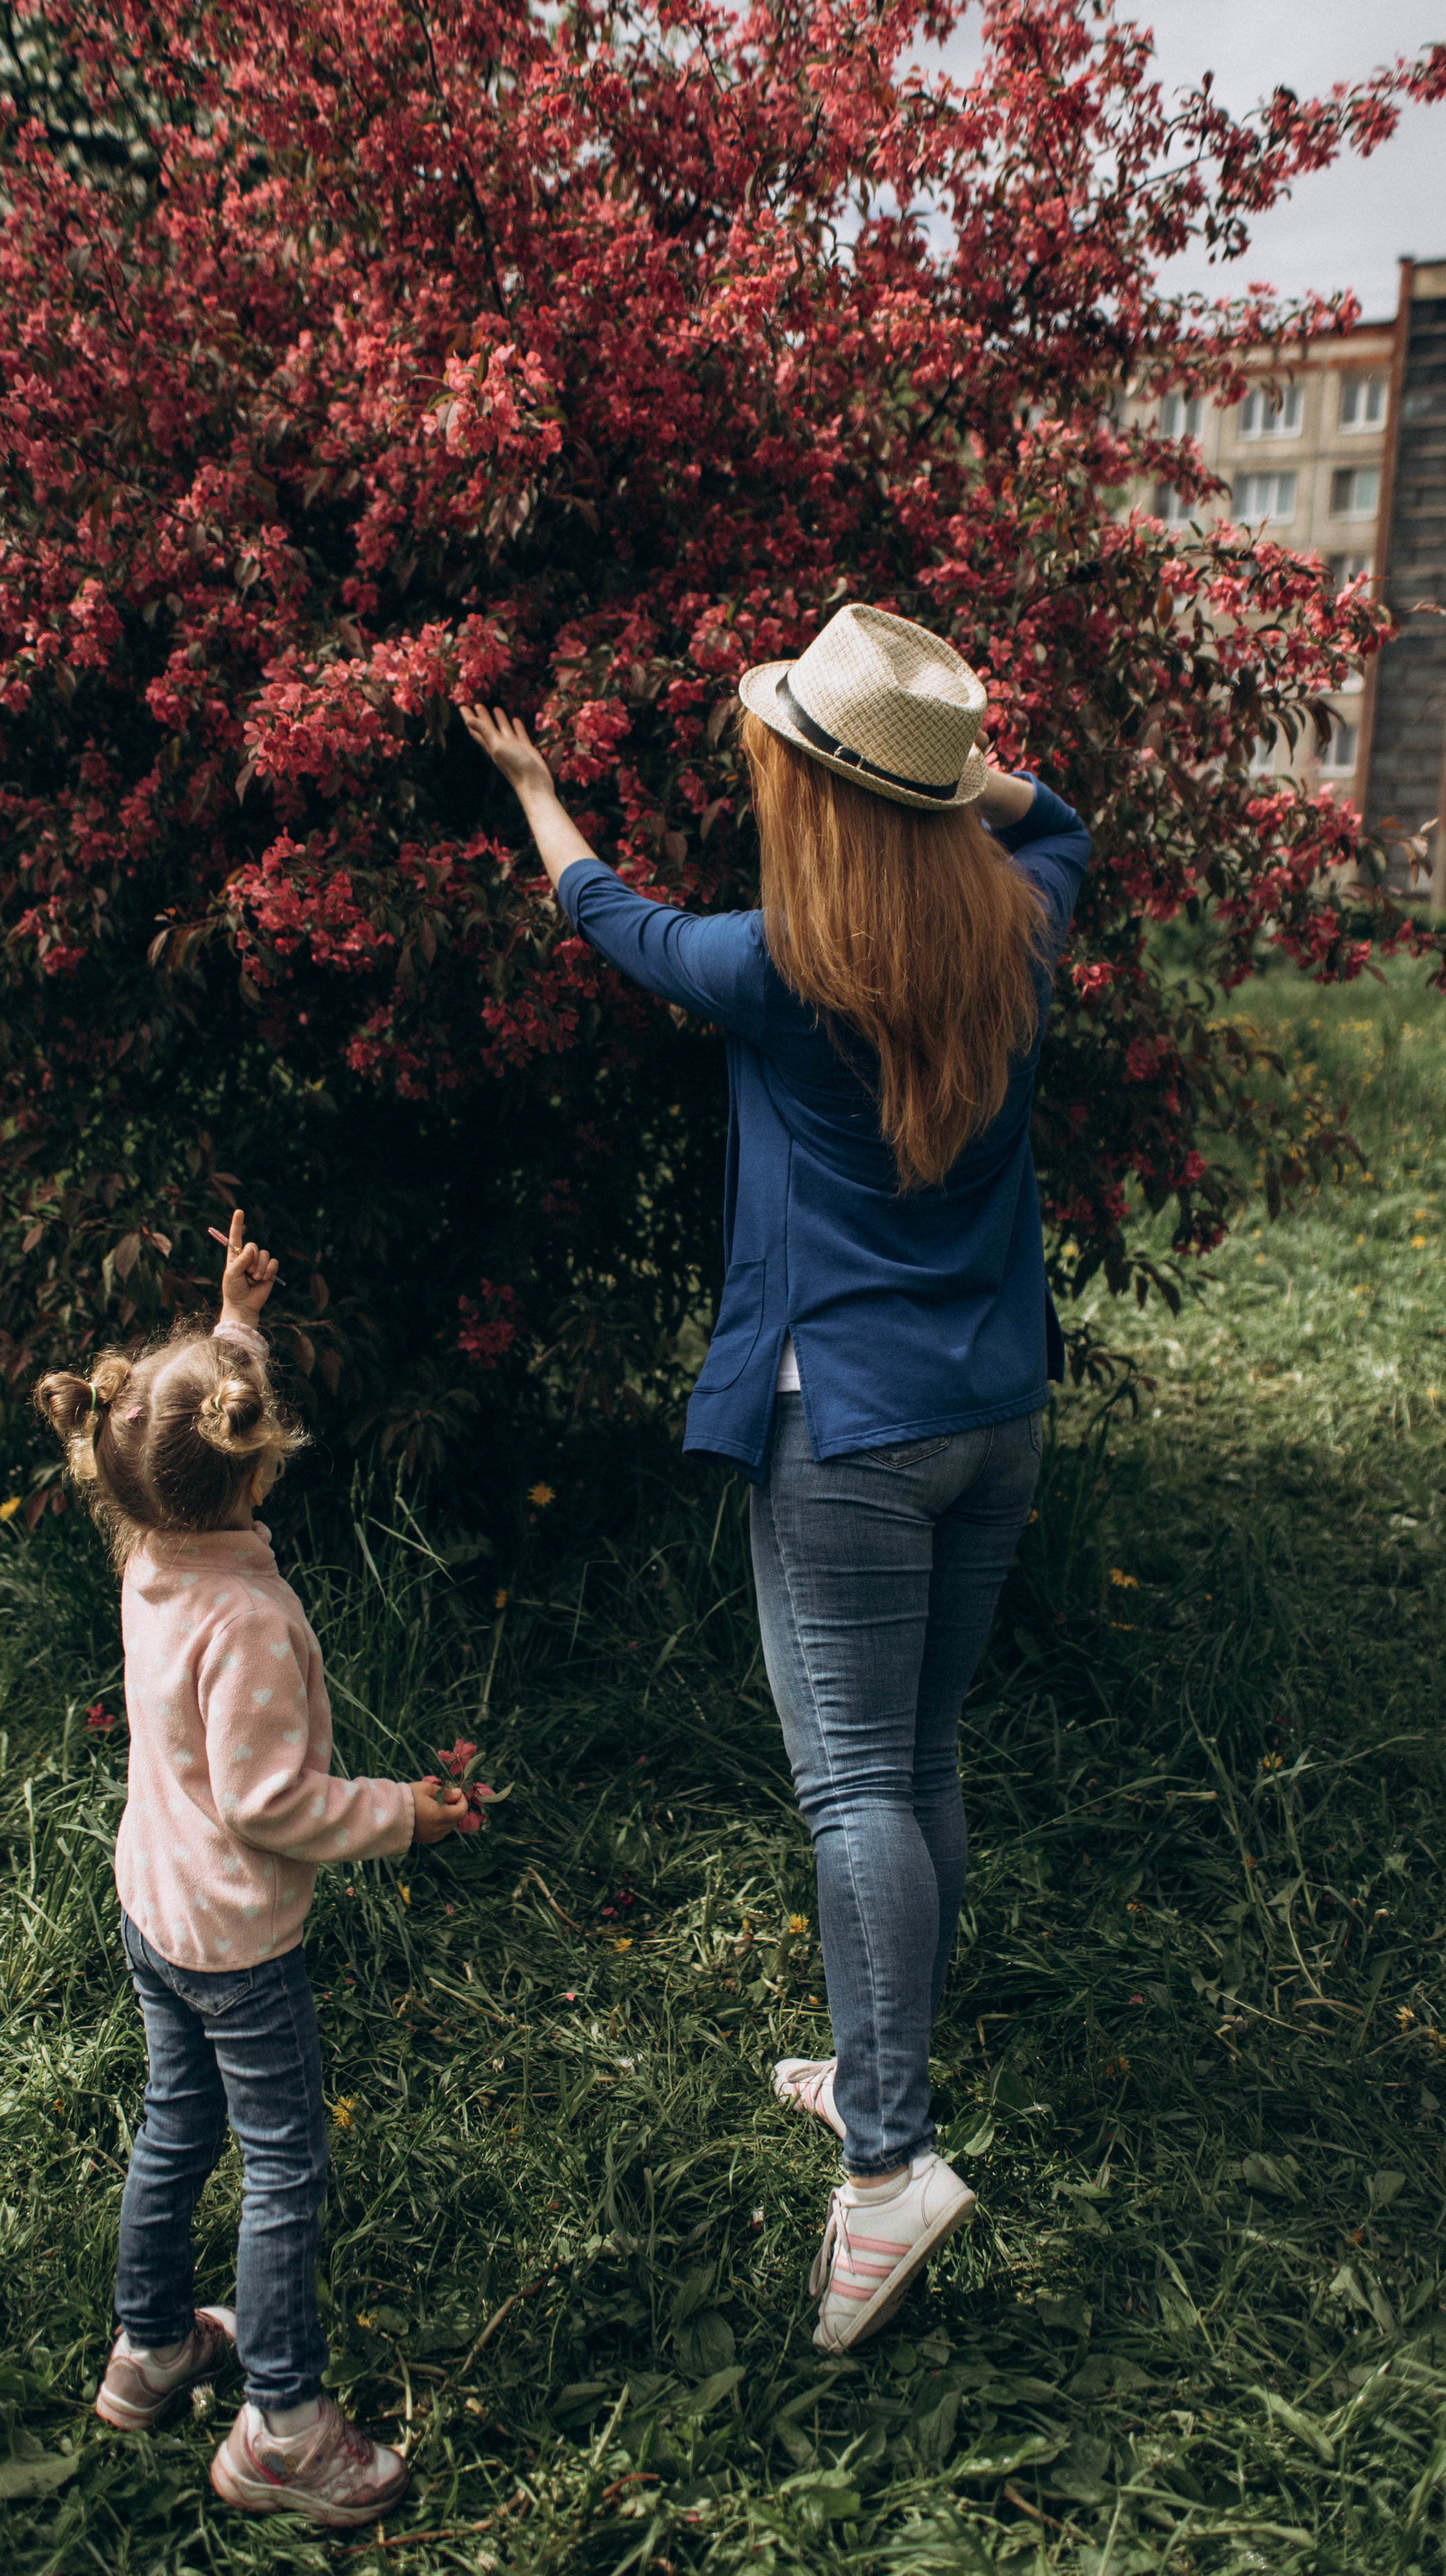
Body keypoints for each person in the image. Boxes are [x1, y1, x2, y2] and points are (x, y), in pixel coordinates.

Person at [462, 605, 1089, 2354]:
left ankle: (887, 2167)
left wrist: (532, 790)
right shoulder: (1019, 925)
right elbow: (1057, 820)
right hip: (991, 1410)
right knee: (925, 1756)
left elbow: (610, 920)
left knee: (851, 1792)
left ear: (814, 794)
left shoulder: (781, 966)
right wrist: (955, 775)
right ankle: (877, 2069)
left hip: (851, 1433)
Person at [34, 1210, 469, 2523]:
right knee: (284, 2162)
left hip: (152, 1908)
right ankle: (282, 2424)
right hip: (233, 1939)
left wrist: (236, 1321)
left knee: (178, 2119)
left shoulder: (151, 1547)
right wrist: (404, 1812)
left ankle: (151, 2346)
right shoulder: (250, 1618)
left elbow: (181, 1423)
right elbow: (272, 1801)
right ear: (255, 1462)